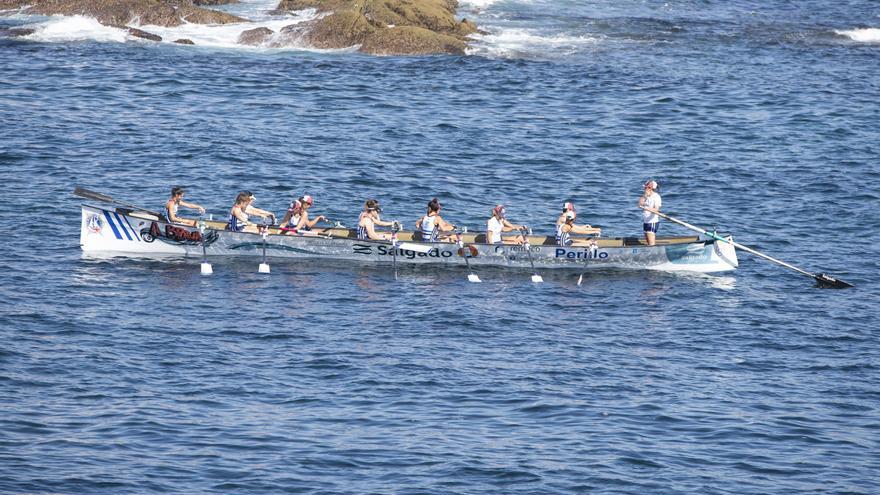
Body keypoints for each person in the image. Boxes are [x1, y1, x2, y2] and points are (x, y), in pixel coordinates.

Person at [637, 180, 662, 246]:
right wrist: (645, 196)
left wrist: (648, 209)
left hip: (652, 222)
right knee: (648, 242)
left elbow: (656, 209)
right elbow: (639, 204)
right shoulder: (645, 196)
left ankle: (653, 254)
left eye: (646, 187)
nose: (644, 189)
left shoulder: (656, 197)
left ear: (650, 188)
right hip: (646, 221)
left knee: (651, 244)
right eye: (644, 187)